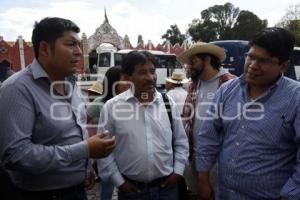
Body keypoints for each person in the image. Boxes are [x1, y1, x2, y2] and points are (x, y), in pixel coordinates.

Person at [0, 17, 116, 200]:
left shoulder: (71, 83)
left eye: (79, 45)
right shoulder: (17, 89)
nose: (79, 52)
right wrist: (84, 150)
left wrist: (85, 167)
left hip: (77, 190)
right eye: (71, 45)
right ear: (45, 48)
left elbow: (73, 131)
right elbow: (15, 155)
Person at [196, 27, 299, 200]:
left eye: (263, 61)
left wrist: (290, 193)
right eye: (250, 57)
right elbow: (208, 136)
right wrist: (203, 179)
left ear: (283, 66)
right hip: (224, 194)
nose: (252, 66)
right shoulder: (227, 90)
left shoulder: (295, 98)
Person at [97, 50, 189, 200]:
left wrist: (178, 172)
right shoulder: (112, 107)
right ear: (127, 78)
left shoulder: (168, 103)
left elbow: (181, 142)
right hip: (132, 192)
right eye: (142, 72)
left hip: (167, 189)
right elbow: (104, 151)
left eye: (152, 71)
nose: (150, 78)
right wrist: (119, 182)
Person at [178, 42, 235, 199]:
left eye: (193, 61)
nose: (190, 67)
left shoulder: (231, 84)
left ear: (207, 59)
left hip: (219, 161)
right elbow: (186, 119)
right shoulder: (193, 85)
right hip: (194, 156)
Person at [86, 66, 130, 200]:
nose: (128, 83)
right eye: (124, 79)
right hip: (107, 152)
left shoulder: (128, 102)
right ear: (114, 82)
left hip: (125, 151)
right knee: (107, 187)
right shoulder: (99, 104)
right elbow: (85, 124)